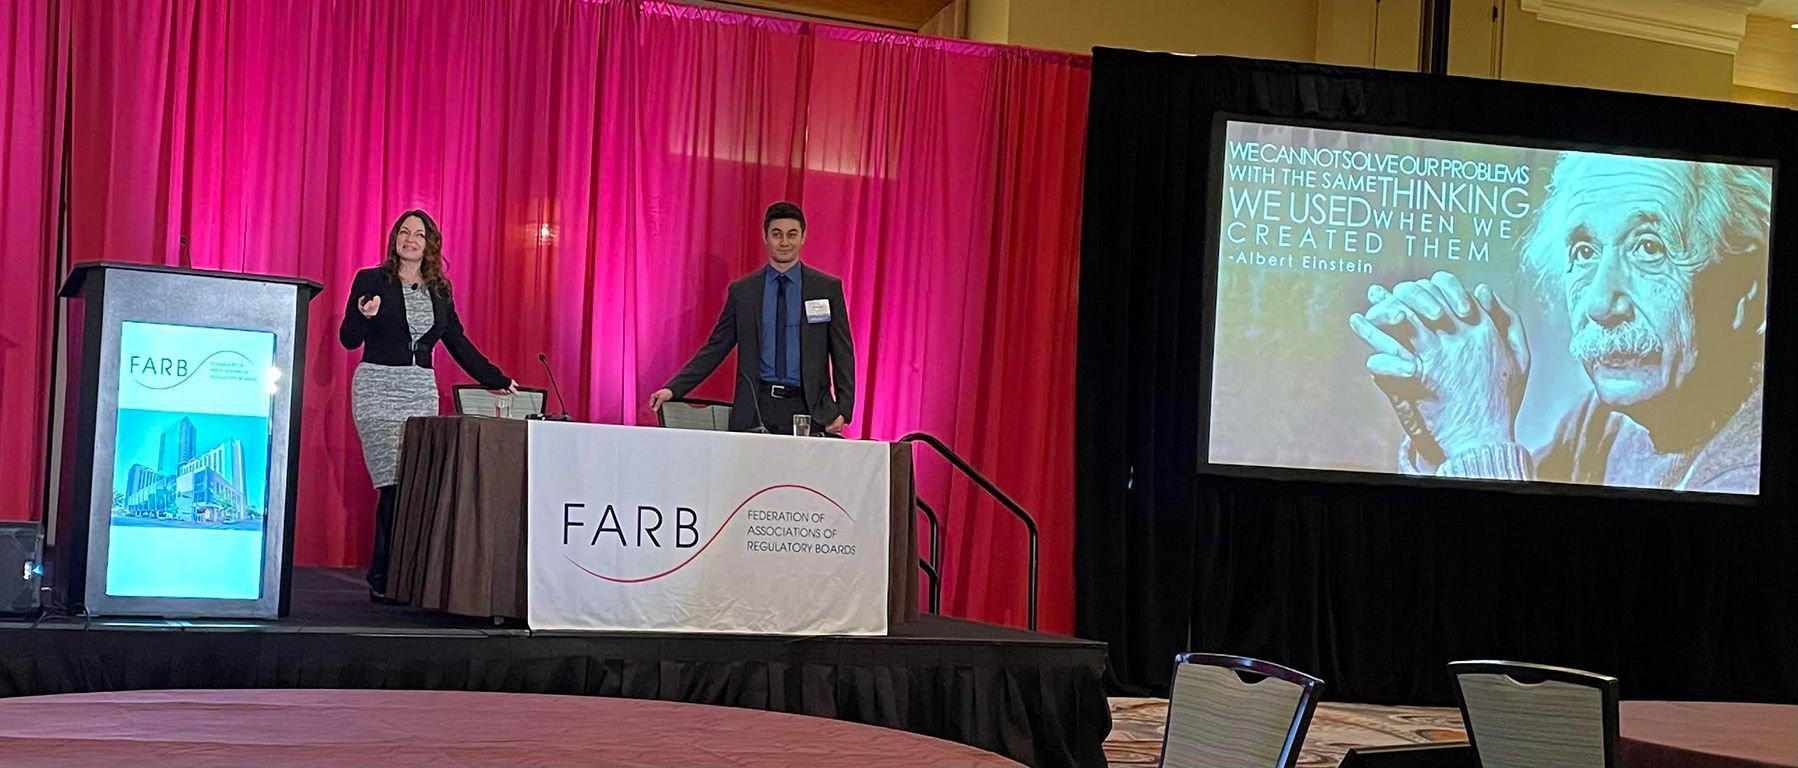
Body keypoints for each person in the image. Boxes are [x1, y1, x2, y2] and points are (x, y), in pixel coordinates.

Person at [1349, 153, 1771, 492]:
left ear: (1746, 288)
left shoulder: (1754, 470)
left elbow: (1508, 589)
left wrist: (1479, 437)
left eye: (1649, 247)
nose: (1601, 305)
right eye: (1585, 252)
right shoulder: (1603, 419)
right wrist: (1442, 435)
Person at [340, 209, 516, 602]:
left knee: (416, 483)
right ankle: (383, 577)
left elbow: (456, 341)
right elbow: (348, 339)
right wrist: (363, 315)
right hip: (377, 389)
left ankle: (410, 577)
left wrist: (495, 378)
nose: (410, 239)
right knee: (393, 484)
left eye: (419, 234)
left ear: (430, 244)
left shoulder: (440, 290)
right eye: (405, 232)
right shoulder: (371, 280)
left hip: (420, 390)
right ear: (395, 239)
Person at [649, 201, 855, 435]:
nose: (785, 242)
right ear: (765, 236)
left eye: (792, 234)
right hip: (757, 407)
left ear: (803, 236)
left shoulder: (826, 288)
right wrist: (673, 389)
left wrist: (844, 408)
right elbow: (715, 348)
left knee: (803, 473)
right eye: (777, 234)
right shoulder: (743, 292)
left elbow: (842, 352)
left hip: (810, 409)